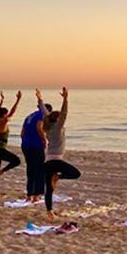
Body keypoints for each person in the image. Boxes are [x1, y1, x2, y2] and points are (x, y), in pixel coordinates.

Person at [38, 87, 81, 220]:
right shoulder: (57, 126)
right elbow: (64, 113)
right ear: (57, 120)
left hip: (48, 162)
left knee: (49, 189)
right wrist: (65, 99)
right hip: (57, 161)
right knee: (76, 173)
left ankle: (49, 211)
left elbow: (45, 113)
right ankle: (58, 177)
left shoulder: (48, 126)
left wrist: (40, 100)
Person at [0, 90, 22, 204]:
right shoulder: (3, 123)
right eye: (6, 115)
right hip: (0, 150)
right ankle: (2, 171)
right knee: (17, 161)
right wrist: (18, 100)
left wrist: (2, 100)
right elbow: (12, 112)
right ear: (4, 116)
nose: (8, 116)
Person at [21, 91, 48, 203]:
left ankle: (29, 194)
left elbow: (22, 133)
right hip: (35, 145)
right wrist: (44, 139)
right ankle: (36, 195)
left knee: (30, 169)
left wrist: (26, 141)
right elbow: (39, 127)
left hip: (26, 145)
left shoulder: (29, 116)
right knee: (39, 169)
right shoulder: (42, 115)